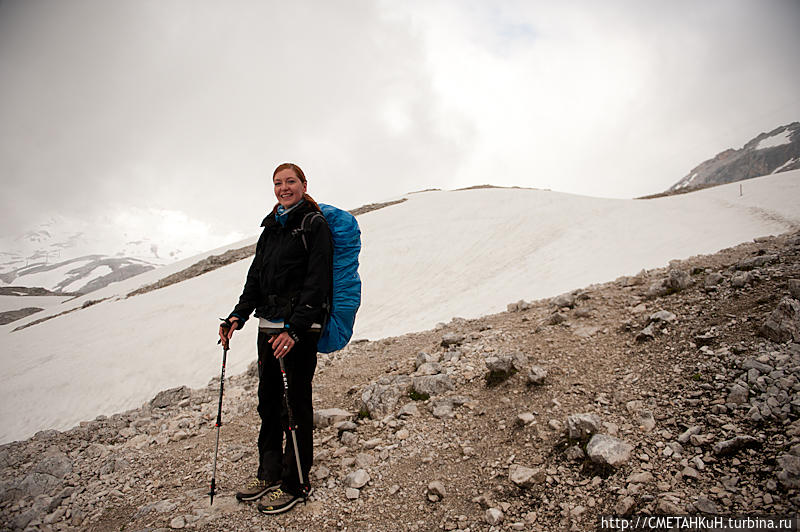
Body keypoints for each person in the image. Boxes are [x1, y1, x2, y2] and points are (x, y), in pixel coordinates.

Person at [218, 162, 333, 515]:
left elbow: (318, 283)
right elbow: (256, 279)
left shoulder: (314, 226)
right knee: (268, 402)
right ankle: (267, 471)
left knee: (294, 405)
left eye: (291, 182)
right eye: (278, 183)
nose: (284, 188)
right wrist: (238, 314)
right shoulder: (270, 229)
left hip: (298, 331)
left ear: (303, 184)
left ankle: (296, 482)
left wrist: (295, 330)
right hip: (268, 327)